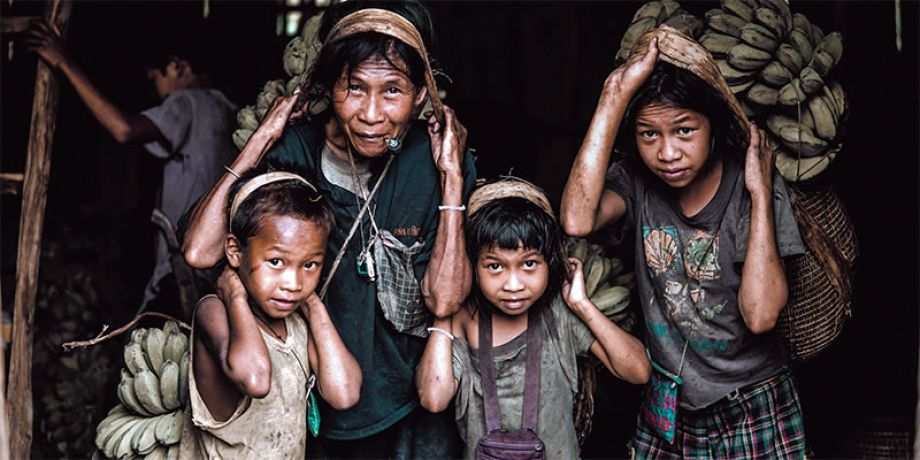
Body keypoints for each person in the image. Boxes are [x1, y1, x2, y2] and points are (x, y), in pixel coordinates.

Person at [181, 1, 476, 457]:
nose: (372, 113)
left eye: (393, 91)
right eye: (354, 88)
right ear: (329, 86)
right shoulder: (296, 150)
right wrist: (261, 138)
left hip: (409, 403)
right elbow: (200, 252)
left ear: (421, 95)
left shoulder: (433, 163)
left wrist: (452, 179)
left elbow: (445, 300)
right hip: (309, 400)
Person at [560, 27, 808, 458]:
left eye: (684, 131)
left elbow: (762, 314)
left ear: (713, 128)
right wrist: (613, 98)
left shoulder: (751, 190)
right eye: (648, 134)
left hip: (753, 401)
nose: (668, 153)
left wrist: (761, 194)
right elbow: (577, 220)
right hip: (670, 404)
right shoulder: (636, 184)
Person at [416, 178, 649, 459]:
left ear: (549, 263)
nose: (513, 284)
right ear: (472, 267)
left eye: (529, 264)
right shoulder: (463, 322)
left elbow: (638, 371)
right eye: (494, 266)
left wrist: (582, 304)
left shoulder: (559, 317)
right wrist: (446, 308)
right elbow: (433, 398)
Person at [27, 22, 238, 309]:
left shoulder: (185, 103)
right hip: (216, 267)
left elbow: (123, 129)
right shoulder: (228, 109)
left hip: (184, 270)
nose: (159, 92)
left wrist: (64, 63)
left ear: (177, 66)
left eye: (156, 78)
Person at [178, 171, 361, 459]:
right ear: (235, 251)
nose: (293, 282)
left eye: (310, 265)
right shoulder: (213, 311)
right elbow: (255, 378)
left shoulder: (298, 322)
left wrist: (313, 305)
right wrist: (235, 295)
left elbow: (344, 393)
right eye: (276, 262)